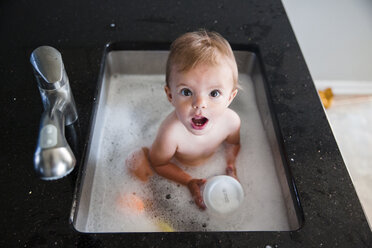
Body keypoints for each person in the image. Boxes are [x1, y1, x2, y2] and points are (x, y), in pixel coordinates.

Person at [127, 30, 241, 210]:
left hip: (211, 168)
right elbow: (159, 163)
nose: (200, 104)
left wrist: (230, 164)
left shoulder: (231, 122)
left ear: (230, 97)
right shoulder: (171, 133)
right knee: (138, 164)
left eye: (214, 93)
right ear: (170, 95)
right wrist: (188, 181)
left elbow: (233, 144)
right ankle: (149, 205)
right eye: (187, 92)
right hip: (177, 168)